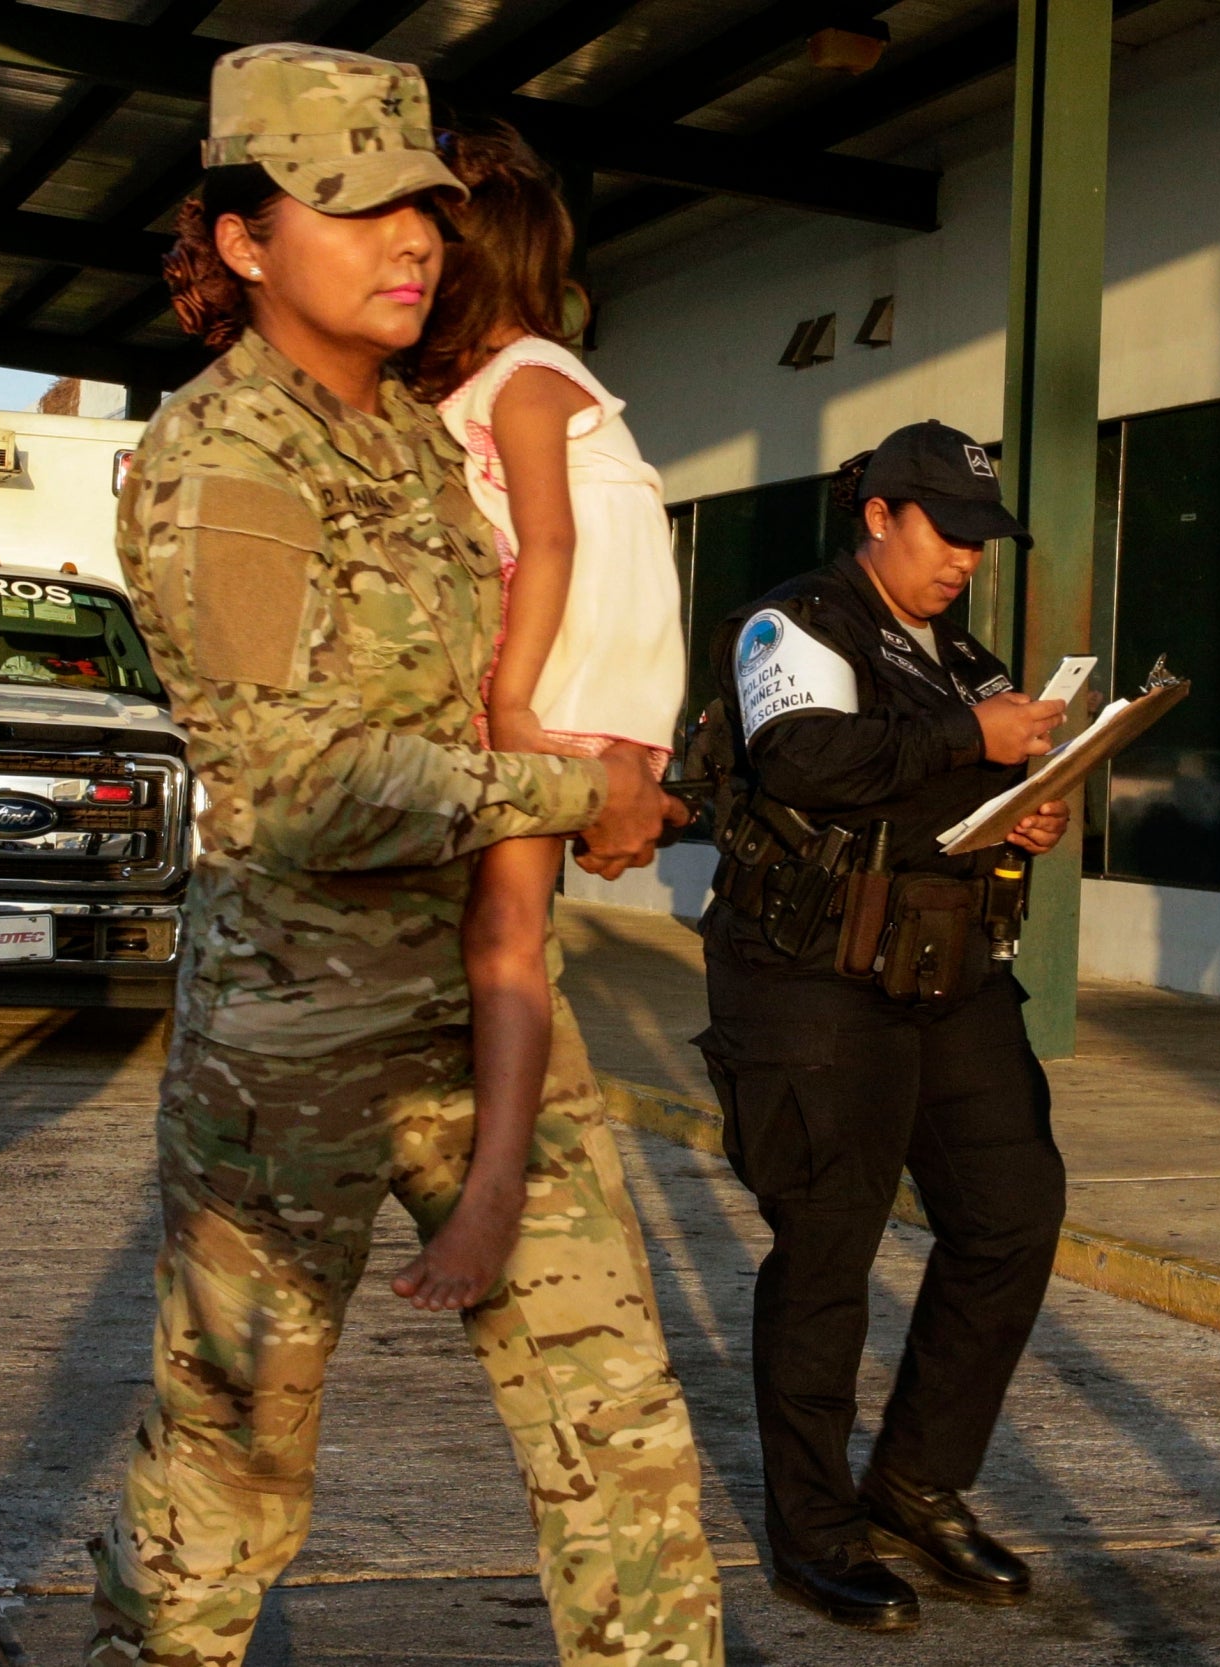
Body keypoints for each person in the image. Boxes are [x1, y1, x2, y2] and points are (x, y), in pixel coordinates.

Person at [90, 44, 719, 1667]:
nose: (411, 237)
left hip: (470, 986)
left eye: (424, 204)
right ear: (242, 239)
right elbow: (300, 781)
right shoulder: (228, 460)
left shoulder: (422, 443)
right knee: (241, 1453)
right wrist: (570, 797)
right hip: (294, 1032)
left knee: (617, 1416)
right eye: (351, 202)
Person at [692, 421, 1073, 1632]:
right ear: (877, 517)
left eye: (979, 539)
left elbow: (953, 784)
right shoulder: (793, 623)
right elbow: (803, 757)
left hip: (944, 962)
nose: (964, 556)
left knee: (1011, 1211)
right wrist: (975, 743)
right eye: (945, 532)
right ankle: (814, 1532)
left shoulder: (964, 654)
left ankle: (915, 1479)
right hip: (810, 973)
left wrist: (1019, 811)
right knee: (827, 1254)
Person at [389, 124, 686, 1310]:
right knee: (505, 936)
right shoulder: (529, 381)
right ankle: (495, 1167)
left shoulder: (521, 383)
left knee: (503, 941)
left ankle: (495, 1190)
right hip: (599, 683)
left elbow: (551, 542)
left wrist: (511, 701)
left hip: (562, 681)